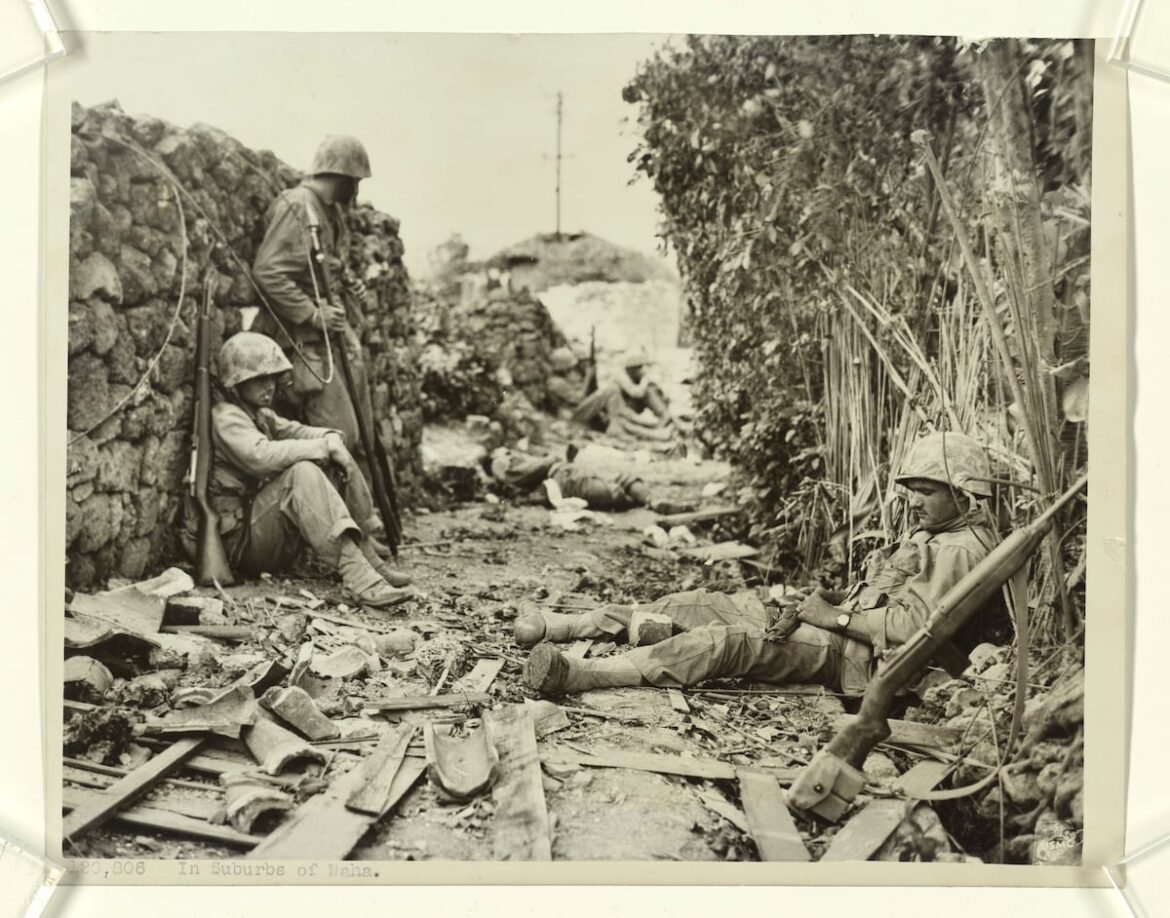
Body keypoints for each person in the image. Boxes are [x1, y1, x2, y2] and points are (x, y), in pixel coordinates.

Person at [518, 432, 999, 696]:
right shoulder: (935, 529)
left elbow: (915, 628)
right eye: (911, 492)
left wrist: (832, 616)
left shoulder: (959, 548)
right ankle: (563, 625)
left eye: (927, 493)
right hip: (837, 631)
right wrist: (820, 602)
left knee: (731, 641)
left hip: (856, 660)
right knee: (698, 604)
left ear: (964, 493)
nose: (914, 503)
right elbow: (879, 595)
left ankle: (589, 675)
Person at [181, 332, 411, 608]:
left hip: (260, 531)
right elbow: (260, 456)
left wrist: (329, 437)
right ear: (236, 383)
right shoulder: (226, 417)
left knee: (331, 457)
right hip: (239, 545)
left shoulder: (258, 413)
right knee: (301, 474)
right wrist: (324, 448)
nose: (269, 386)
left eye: (271, 377)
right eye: (258, 380)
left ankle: (369, 560)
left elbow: (294, 430)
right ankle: (360, 578)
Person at [251, 134, 389, 544]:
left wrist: (347, 284)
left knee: (358, 432)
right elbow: (269, 271)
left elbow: (323, 267)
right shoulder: (298, 205)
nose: (357, 190)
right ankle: (344, 540)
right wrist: (311, 312)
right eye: (355, 181)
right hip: (307, 346)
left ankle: (362, 530)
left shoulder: (326, 214)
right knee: (338, 434)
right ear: (340, 177)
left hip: (331, 343)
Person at [484, 446, 691, 514]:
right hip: (563, 479)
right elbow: (532, 469)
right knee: (616, 490)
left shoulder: (504, 461)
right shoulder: (499, 463)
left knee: (622, 480)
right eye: (505, 451)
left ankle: (651, 501)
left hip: (568, 473)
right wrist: (551, 457)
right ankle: (647, 500)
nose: (510, 452)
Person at [570, 349, 680, 444]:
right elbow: (636, 393)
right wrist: (645, 380)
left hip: (623, 410)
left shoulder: (634, 376)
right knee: (644, 392)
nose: (641, 370)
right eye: (638, 367)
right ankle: (657, 426)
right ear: (631, 368)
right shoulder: (620, 374)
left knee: (650, 390)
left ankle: (665, 417)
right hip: (614, 412)